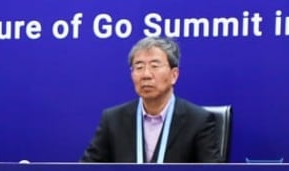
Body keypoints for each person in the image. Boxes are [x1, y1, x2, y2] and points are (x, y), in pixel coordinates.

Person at [81, 36, 220, 163]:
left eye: (155, 66)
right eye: (139, 67)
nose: (146, 75)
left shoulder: (198, 121)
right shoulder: (113, 120)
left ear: (174, 75)